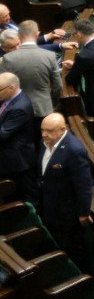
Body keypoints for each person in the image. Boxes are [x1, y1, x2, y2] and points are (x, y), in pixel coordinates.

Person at [38, 112, 92, 271]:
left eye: (48, 130)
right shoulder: (45, 142)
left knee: (74, 247)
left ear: (62, 129)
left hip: (68, 211)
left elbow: (83, 184)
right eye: (42, 129)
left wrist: (83, 212)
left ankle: (84, 278)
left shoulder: (74, 150)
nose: (43, 134)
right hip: (50, 205)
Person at [0, 72, 38, 203]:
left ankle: (34, 219)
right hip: (10, 156)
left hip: (18, 159)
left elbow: (2, 134)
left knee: (28, 194)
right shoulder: (9, 99)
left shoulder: (20, 107)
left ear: (11, 88)